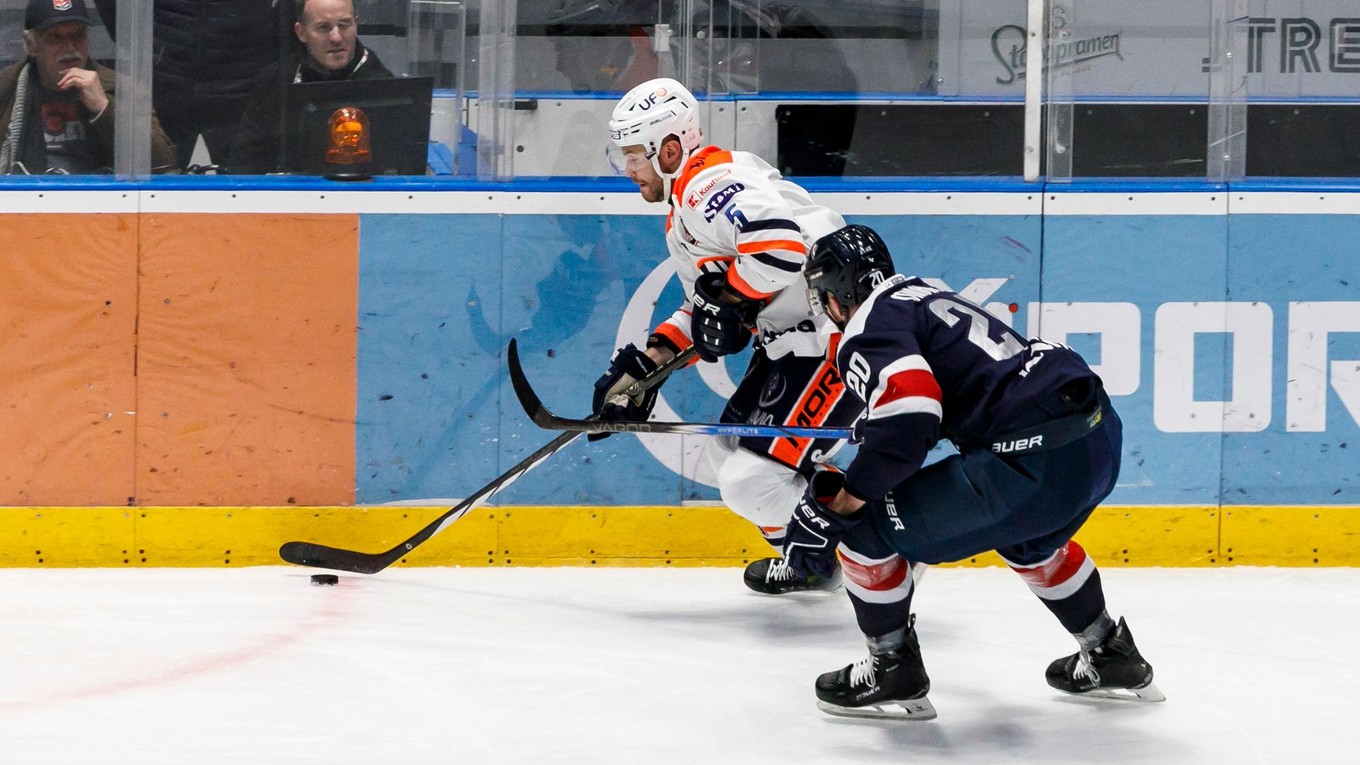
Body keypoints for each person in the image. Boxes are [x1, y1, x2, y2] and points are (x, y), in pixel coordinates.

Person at [781, 224, 1162, 719]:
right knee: (1031, 542)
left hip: (1033, 464)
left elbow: (913, 414)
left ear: (839, 293)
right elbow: (955, 388)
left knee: (863, 533)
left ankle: (893, 668)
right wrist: (882, 423)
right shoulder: (923, 291)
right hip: (1097, 441)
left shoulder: (864, 326)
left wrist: (845, 503)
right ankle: (1110, 653)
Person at [592, 77, 861, 595]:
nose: (626, 170)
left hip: (832, 342)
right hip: (792, 345)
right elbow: (706, 306)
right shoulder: (694, 197)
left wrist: (731, 298)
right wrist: (647, 364)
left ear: (668, 149)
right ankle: (809, 555)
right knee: (729, 451)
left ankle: (880, 557)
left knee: (751, 479)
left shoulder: (705, 188)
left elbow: (781, 250)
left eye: (633, 157)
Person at [91, 0, 285, 170]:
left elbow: (294, 10)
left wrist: (265, 49)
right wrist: (144, 46)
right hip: (162, 80)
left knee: (248, 184)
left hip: (241, 80)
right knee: (154, 178)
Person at [0, 0, 177, 174]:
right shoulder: (7, 87)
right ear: (30, 44)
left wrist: (104, 108)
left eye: (78, 35)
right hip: (26, 198)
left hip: (102, 199)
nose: (70, 47)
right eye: (55, 37)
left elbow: (161, 165)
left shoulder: (121, 88)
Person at [227, 0, 392, 174]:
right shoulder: (274, 83)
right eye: (323, 28)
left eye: (344, 25)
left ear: (356, 25)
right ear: (301, 32)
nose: (336, 37)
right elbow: (245, 165)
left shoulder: (384, 86)